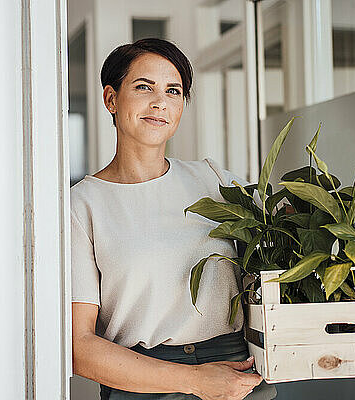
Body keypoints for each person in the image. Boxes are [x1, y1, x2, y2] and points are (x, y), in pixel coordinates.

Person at [71, 38, 276, 400]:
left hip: (238, 376)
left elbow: (289, 233)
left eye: (173, 91)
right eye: (143, 87)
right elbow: (79, 347)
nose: (159, 102)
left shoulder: (214, 179)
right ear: (111, 99)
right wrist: (195, 380)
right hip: (142, 383)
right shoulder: (82, 205)